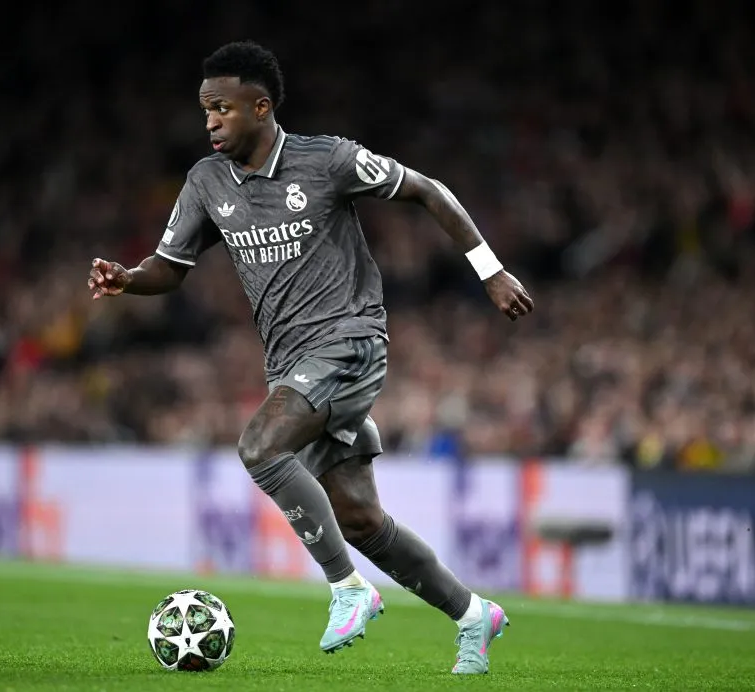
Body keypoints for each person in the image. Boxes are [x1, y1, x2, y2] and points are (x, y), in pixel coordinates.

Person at [88, 40, 533, 675]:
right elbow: (170, 267)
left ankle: (347, 589)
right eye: (204, 109)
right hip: (290, 362)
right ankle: (472, 616)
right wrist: (129, 278)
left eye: (222, 108)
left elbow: (429, 190)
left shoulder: (328, 161)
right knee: (359, 518)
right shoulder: (206, 182)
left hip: (351, 341)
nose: (210, 120)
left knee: (260, 446)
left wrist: (489, 271)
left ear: (260, 107)